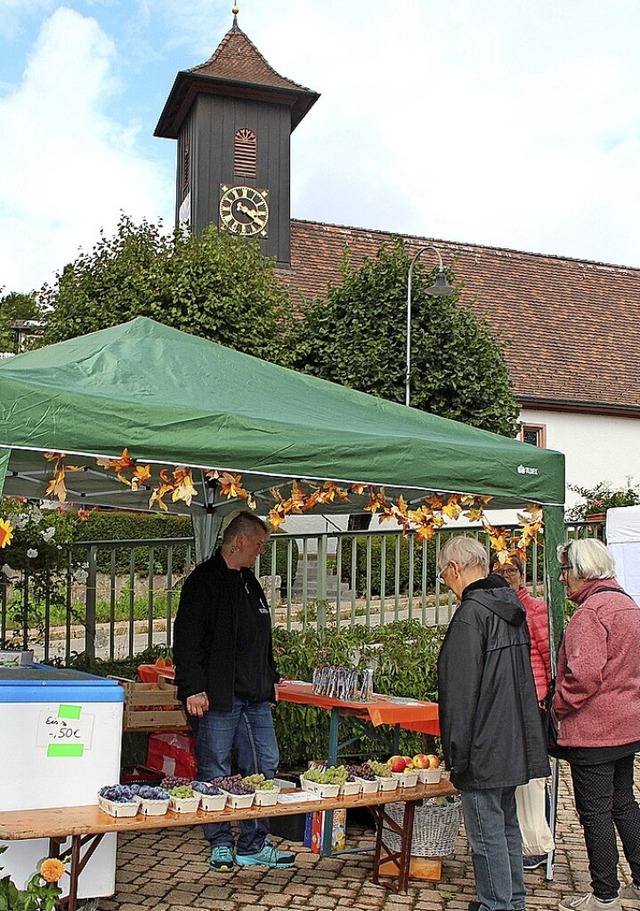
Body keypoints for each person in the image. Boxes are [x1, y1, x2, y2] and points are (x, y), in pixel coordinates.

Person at [173, 511, 294, 873]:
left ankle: (254, 842)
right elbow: (187, 640)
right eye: (257, 545)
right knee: (215, 769)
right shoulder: (203, 581)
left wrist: (271, 678)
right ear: (238, 541)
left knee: (265, 764)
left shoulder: (249, 582)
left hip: (254, 695)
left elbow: (262, 639)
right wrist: (193, 688)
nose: (260, 552)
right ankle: (220, 841)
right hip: (217, 696)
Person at [437, 536, 550, 911]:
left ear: (455, 569)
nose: (446, 584)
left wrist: (457, 754)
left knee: (487, 834)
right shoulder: (508, 605)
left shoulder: (472, 613)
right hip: (510, 737)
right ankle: (511, 901)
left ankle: (498, 905)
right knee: (505, 827)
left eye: (443, 576)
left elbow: (460, 692)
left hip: (484, 743)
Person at [553, 539, 640, 911]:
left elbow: (583, 676)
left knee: (595, 814)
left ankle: (605, 895)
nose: (562, 579)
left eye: (566, 570)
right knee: (624, 804)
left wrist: (557, 706)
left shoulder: (591, 613)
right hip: (627, 725)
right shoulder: (628, 605)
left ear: (582, 570)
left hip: (594, 732)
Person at [495, 555, 552, 872]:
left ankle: (535, 843)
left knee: (532, 774)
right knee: (511, 774)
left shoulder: (536, 609)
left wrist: (544, 697)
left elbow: (548, 656)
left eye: (511, 570)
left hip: (533, 698)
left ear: (522, 574)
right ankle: (514, 838)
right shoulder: (495, 608)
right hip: (506, 699)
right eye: (500, 570)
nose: (506, 576)